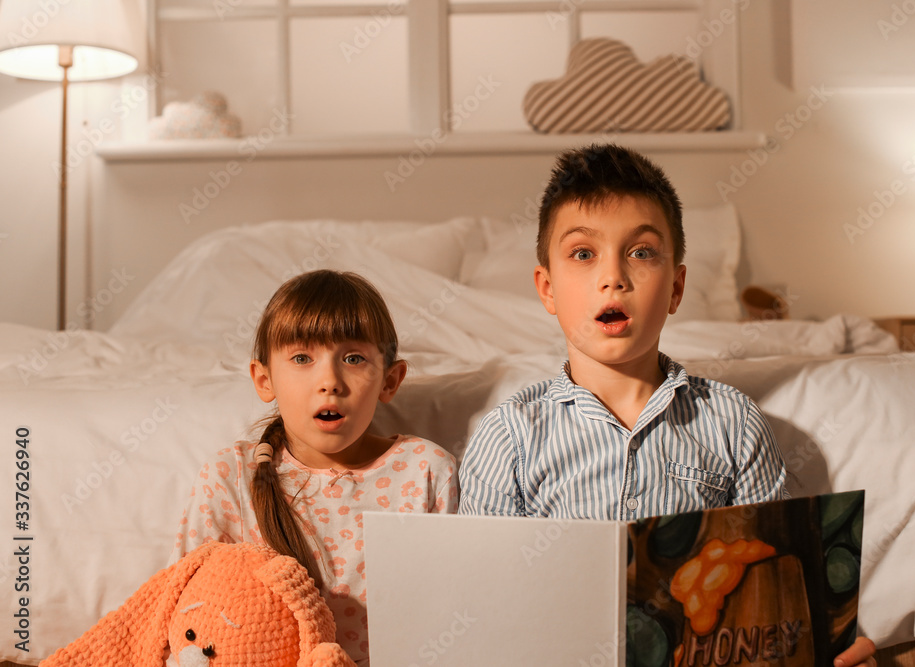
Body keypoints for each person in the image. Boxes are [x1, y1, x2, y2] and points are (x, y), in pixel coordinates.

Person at [458, 143, 876, 667]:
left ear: (676, 287)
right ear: (547, 289)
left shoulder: (733, 423)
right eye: (583, 254)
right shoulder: (509, 435)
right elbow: (482, 609)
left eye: (641, 252)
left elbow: (768, 591)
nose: (614, 277)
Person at [172, 270, 459, 666]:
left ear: (390, 381)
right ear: (263, 379)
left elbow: (452, 611)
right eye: (302, 358)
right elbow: (189, 615)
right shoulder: (231, 477)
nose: (330, 381)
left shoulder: (425, 471)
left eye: (354, 358)